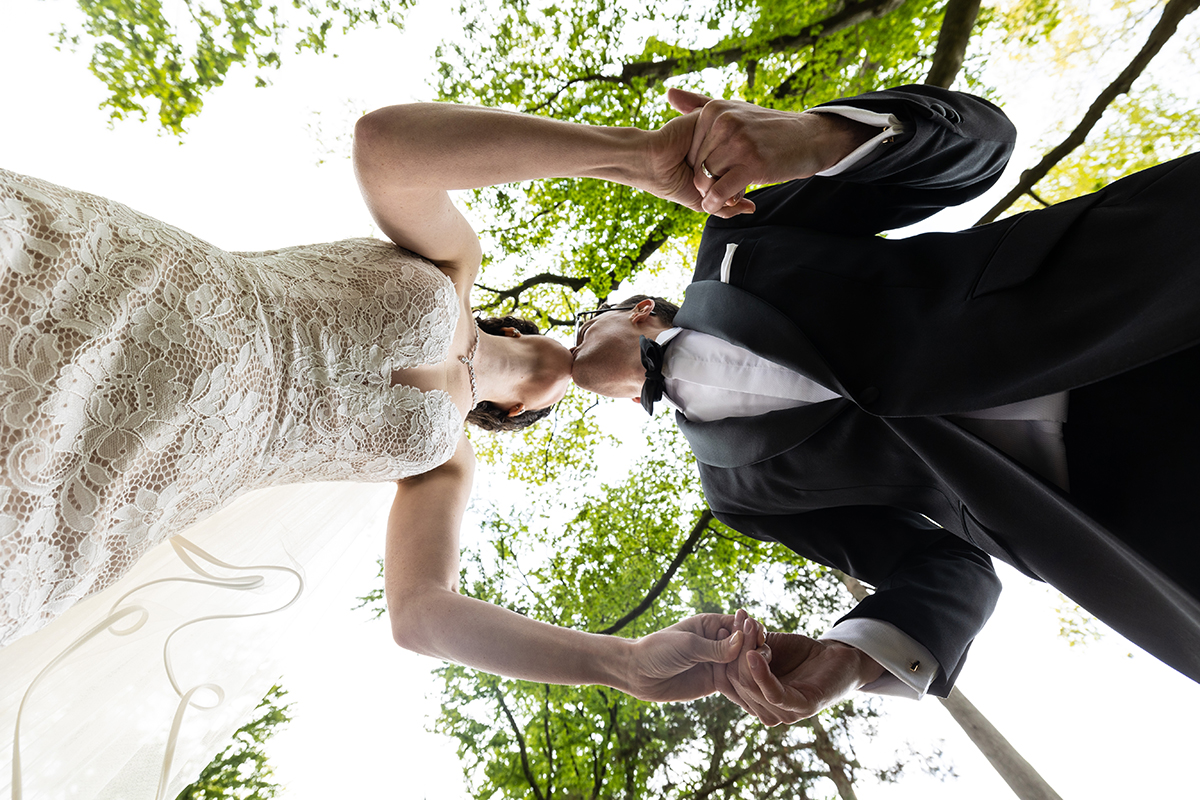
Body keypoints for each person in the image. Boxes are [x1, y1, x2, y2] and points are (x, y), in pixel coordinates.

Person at [0, 101, 762, 796]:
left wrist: (619, 664)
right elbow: (384, 147)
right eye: (661, 344)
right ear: (633, 311)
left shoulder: (444, 463)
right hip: (137, 288)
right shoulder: (454, 266)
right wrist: (630, 154)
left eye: (656, 392)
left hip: (143, 465)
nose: (651, 379)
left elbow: (422, 617)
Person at [569, 83, 1200, 725]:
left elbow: (982, 148)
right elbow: (945, 566)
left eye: (584, 324)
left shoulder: (739, 238)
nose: (576, 345)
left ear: (639, 308)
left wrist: (820, 137)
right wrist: (848, 662)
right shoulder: (736, 493)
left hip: (1144, 304)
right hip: (1129, 513)